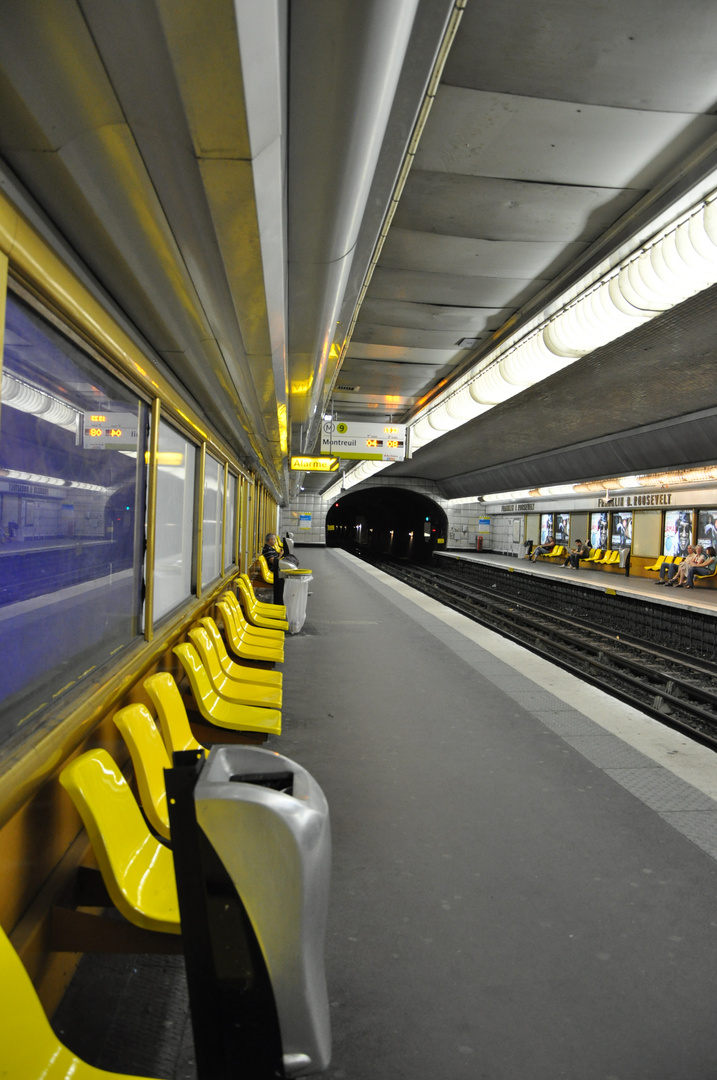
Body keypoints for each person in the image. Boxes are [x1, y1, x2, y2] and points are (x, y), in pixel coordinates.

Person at [262, 532, 285, 604]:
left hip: (276, 568)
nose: (275, 541)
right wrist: (280, 555)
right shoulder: (268, 549)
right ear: (270, 540)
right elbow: (274, 562)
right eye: (274, 539)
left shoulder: (270, 548)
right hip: (274, 569)